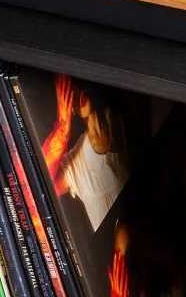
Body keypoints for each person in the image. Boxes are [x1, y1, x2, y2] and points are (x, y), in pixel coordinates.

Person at [42, 75, 130, 232]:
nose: (73, 92)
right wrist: (61, 131)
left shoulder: (115, 121)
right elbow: (42, 185)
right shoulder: (78, 155)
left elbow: (102, 138)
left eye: (73, 84)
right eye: (66, 91)